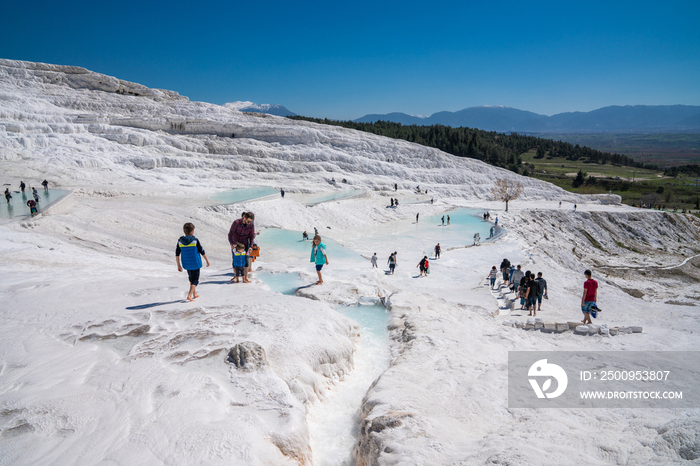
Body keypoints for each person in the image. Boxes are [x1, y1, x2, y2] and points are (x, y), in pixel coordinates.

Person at [176, 222, 210, 301]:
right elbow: (202, 251)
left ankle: (195, 294)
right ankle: (189, 295)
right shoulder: (195, 240)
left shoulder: (180, 241)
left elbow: (177, 253)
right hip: (195, 263)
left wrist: (178, 265)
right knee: (195, 281)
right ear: (192, 231)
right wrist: (207, 261)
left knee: (191, 279)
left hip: (187, 264)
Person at [228, 212, 256, 283]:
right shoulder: (236, 222)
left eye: (251, 221)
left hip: (245, 244)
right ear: (244, 218)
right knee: (235, 259)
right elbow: (230, 233)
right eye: (248, 221)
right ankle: (235, 276)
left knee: (246, 260)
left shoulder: (251, 225)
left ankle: (245, 278)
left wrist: (251, 246)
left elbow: (252, 236)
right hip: (236, 244)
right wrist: (231, 243)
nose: (249, 223)